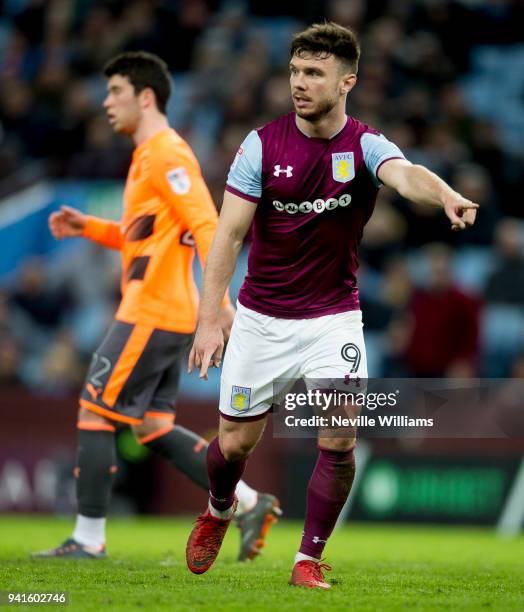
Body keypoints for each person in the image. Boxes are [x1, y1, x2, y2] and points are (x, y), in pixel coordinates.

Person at [185, 22, 478, 589]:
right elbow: (228, 236)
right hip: (261, 319)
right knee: (234, 444)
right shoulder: (260, 145)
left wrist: (442, 192)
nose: (299, 83)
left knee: (340, 435)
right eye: (295, 71)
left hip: (332, 319)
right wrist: (209, 316)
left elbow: (405, 174)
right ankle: (221, 508)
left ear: (347, 81)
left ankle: (307, 559)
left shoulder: (365, 145)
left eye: (314, 73)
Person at [32, 51, 280, 561]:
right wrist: (90, 228)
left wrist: (222, 304)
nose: (106, 103)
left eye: (115, 92)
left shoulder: (167, 152)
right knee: (151, 426)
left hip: (152, 312)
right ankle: (251, 503)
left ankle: (87, 539)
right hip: (169, 313)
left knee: (95, 411)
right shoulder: (148, 155)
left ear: (145, 97)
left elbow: (208, 224)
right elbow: (144, 239)